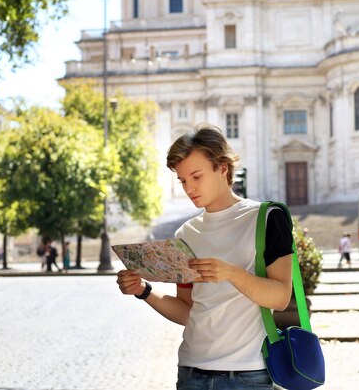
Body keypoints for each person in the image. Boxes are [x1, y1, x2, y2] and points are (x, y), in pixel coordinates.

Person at [116, 124, 294, 390]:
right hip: (191, 373)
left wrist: (232, 273)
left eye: (196, 176)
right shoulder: (185, 233)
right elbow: (187, 311)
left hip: (247, 375)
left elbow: (280, 298)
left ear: (222, 168)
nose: (190, 188)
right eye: (183, 180)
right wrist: (143, 291)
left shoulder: (267, 218)